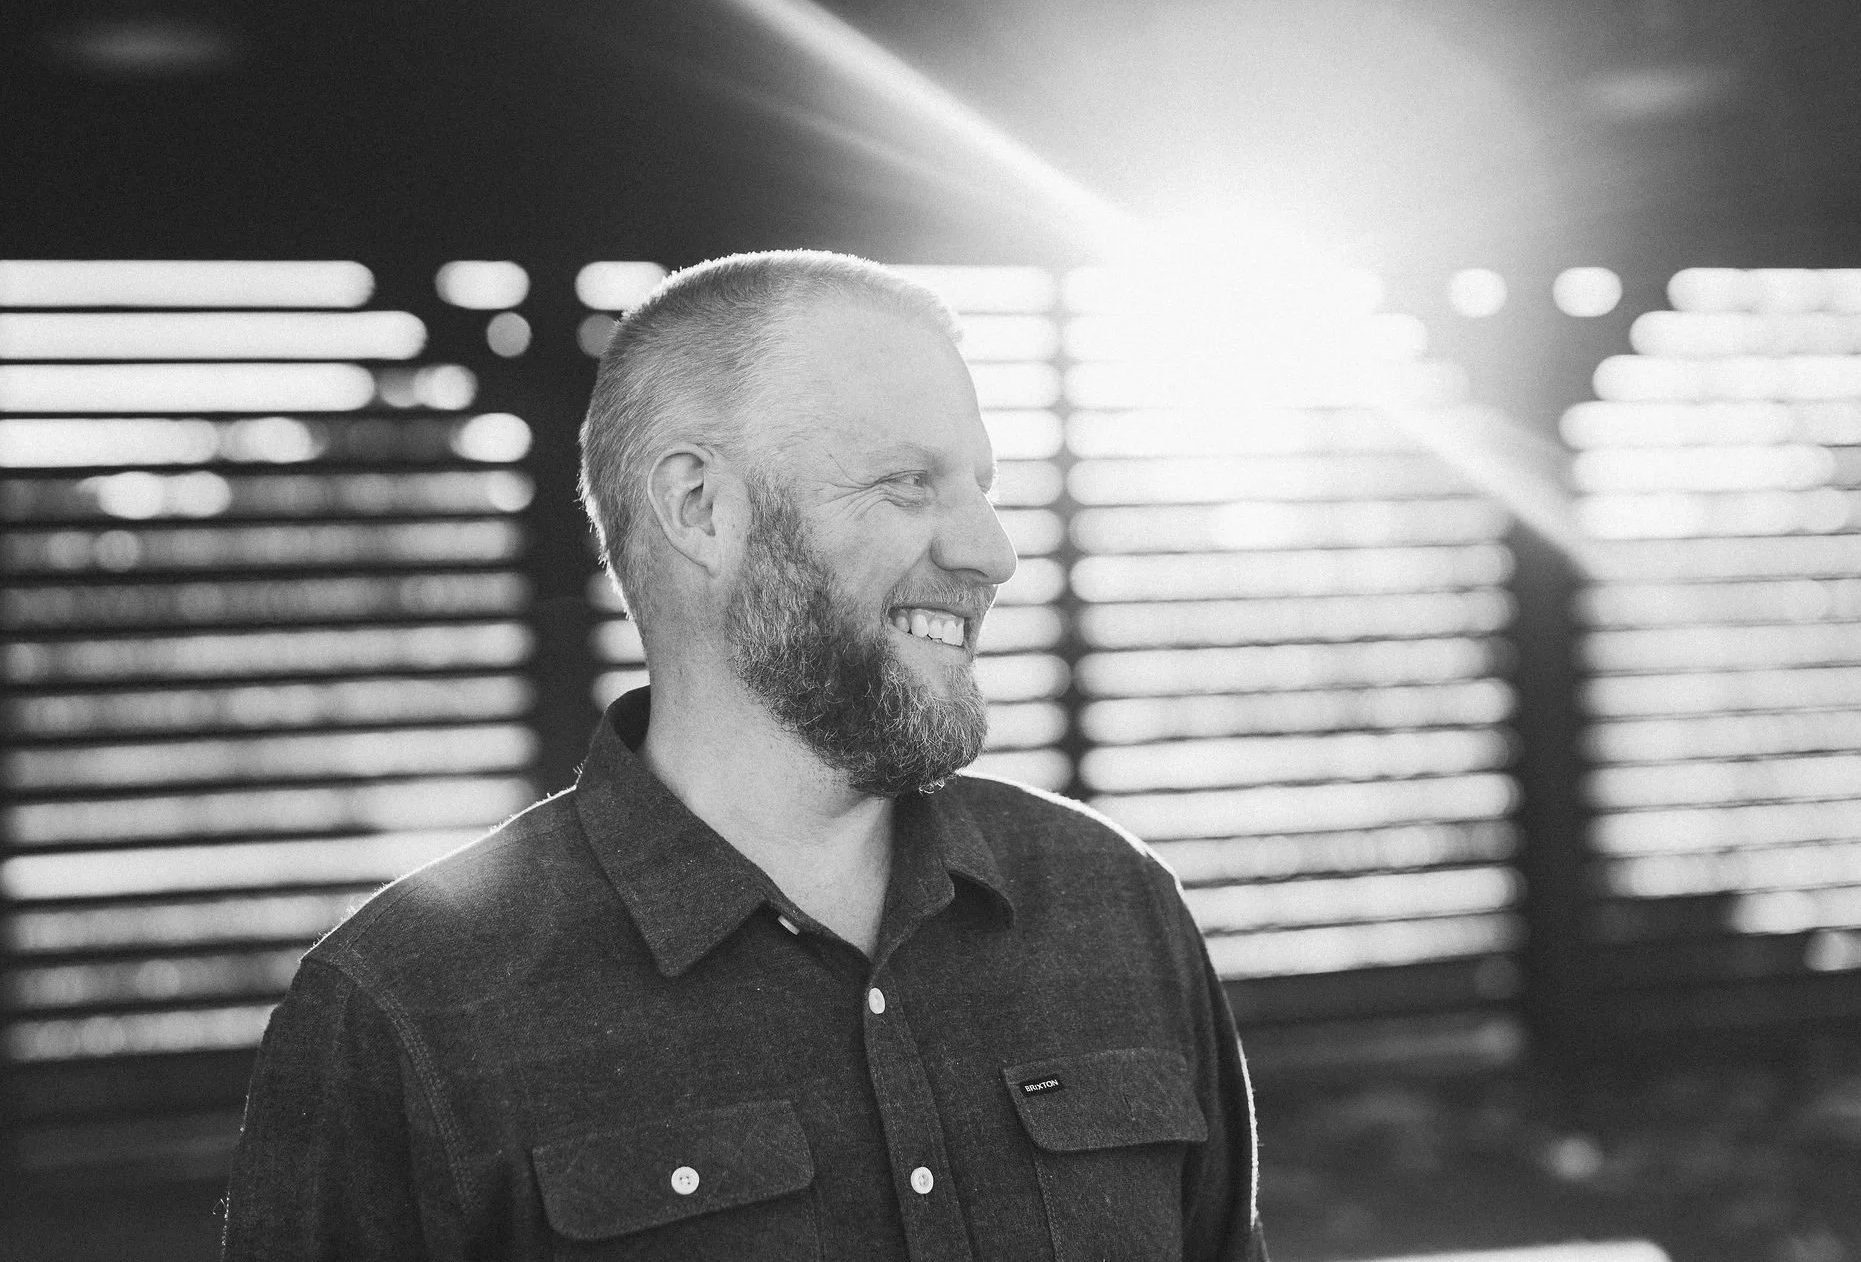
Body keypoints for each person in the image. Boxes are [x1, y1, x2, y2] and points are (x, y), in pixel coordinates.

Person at [222, 250, 1266, 1260]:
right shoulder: (399, 1011)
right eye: (907, 484)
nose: (991, 551)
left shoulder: (1114, 902)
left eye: (980, 486)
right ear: (699, 509)